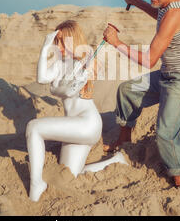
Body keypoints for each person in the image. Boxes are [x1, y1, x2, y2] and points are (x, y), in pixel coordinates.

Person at [102, 0, 180, 187]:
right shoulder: (168, 5)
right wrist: (138, 2)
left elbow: (149, 60)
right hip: (168, 75)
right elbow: (159, 14)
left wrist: (117, 43)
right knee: (128, 90)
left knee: (166, 133)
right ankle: (124, 141)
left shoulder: (176, 13)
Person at [26, 20, 128, 202]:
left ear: (72, 39)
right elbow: (42, 78)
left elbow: (69, 90)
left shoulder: (85, 61)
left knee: (34, 127)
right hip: (75, 128)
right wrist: (44, 48)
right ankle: (115, 161)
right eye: (56, 42)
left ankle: (36, 183)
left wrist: (83, 75)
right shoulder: (60, 64)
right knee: (70, 174)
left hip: (87, 124)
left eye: (62, 41)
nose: (58, 46)